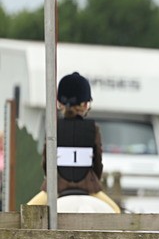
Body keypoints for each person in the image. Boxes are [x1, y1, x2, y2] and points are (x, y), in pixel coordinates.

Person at [28, 72, 121, 213]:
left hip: (55, 187)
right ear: (84, 105)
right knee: (116, 212)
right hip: (88, 188)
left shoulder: (53, 128)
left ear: (60, 103)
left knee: (26, 213)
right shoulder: (93, 129)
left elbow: (46, 163)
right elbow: (97, 164)